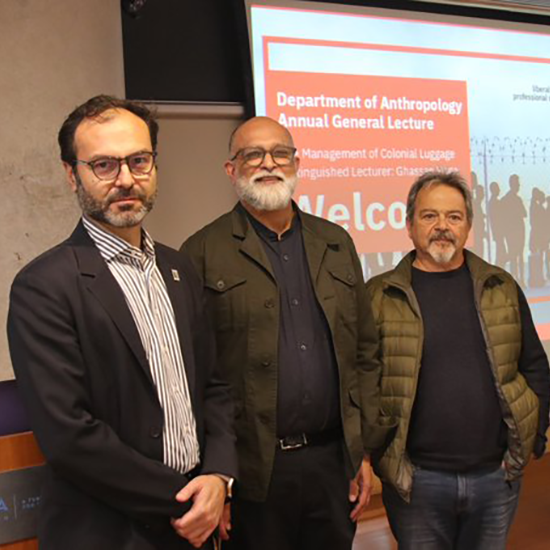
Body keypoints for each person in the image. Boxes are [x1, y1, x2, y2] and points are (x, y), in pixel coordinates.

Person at [7, 95, 237, 550]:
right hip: (111, 532)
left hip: (196, 525)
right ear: (71, 173)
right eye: (105, 166)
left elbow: (213, 386)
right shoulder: (43, 286)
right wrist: (187, 500)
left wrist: (219, 477)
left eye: (138, 160)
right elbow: (69, 435)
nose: (126, 179)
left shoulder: (178, 269)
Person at [181, 116, 389, 550]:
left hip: (334, 464)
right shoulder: (202, 252)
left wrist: (362, 452)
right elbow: (192, 377)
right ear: (231, 169)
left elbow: (365, 354)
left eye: (280, 153)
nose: (268, 163)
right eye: (253, 154)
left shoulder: (335, 242)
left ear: (297, 162)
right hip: (252, 471)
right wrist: (215, 478)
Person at [366, 170, 550, 550]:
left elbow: (534, 367)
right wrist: (372, 457)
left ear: (468, 225)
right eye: (429, 216)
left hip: (494, 477)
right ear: (409, 224)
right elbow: (362, 382)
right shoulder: (379, 295)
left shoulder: (501, 286)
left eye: (454, 216)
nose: (442, 227)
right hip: (417, 481)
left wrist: (532, 440)